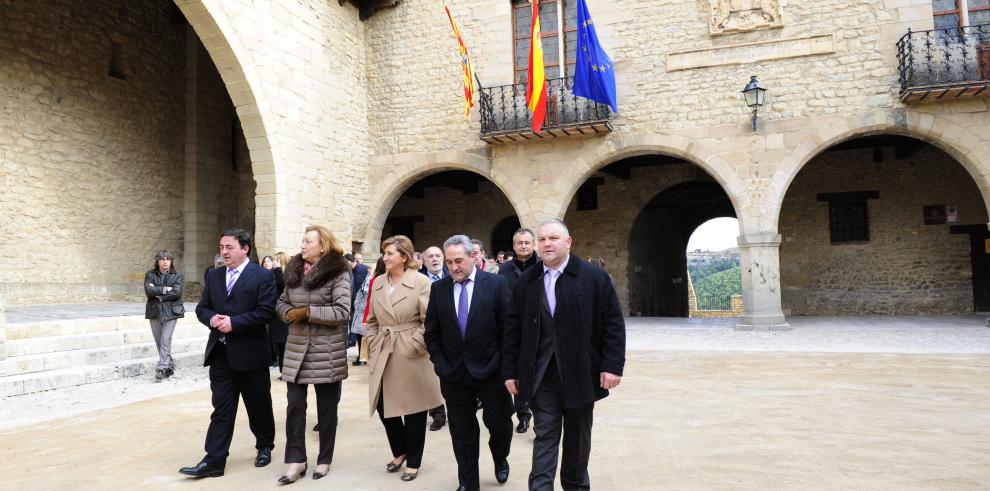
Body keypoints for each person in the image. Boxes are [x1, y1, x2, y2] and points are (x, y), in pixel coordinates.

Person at [503, 219, 626, 491]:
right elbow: (513, 329)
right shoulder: (527, 280)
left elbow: (613, 324)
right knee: (545, 434)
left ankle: (575, 486)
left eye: (553, 238)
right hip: (541, 374)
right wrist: (510, 371)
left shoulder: (593, 278)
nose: (547, 244)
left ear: (568, 242)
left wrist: (612, 366)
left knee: (577, 440)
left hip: (581, 373)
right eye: (542, 239)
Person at [180, 229, 277, 478]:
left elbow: (266, 312)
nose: (224, 252)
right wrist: (213, 319)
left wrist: (235, 323)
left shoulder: (262, 276)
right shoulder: (213, 276)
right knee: (221, 409)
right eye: (221, 246)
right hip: (221, 354)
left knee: (258, 406)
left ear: (245, 249)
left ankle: (264, 445)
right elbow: (202, 308)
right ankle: (215, 460)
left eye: (229, 247)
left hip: (251, 355)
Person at [425, 235, 513, 491]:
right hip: (453, 374)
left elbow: (508, 330)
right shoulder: (439, 289)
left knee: (499, 424)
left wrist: (503, 366)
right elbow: (432, 331)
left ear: (473, 257)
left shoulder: (496, 284)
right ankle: (468, 483)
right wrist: (440, 362)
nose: (454, 267)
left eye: (459, 261)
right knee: (462, 432)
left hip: (491, 371)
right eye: (449, 262)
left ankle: (500, 457)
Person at [275, 225, 352, 483]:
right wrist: (286, 312)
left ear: (323, 246)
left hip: (326, 351)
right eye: (303, 240)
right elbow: (282, 301)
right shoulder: (295, 269)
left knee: (326, 410)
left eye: (308, 241)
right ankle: (297, 460)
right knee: (295, 406)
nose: (303, 245)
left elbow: (342, 311)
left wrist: (308, 312)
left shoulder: (339, 272)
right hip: (297, 350)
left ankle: (324, 459)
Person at [365, 235, 444, 483]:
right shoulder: (378, 282)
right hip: (383, 349)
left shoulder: (420, 282)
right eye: (384, 253)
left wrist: (414, 344)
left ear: (404, 257)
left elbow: (429, 321)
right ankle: (400, 451)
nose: (385, 257)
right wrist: (372, 339)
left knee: (413, 409)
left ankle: (414, 461)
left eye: (390, 253)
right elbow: (372, 319)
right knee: (382, 404)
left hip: (410, 353)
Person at [497, 227, 538, 433]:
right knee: (517, 371)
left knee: (540, 372)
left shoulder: (542, 266)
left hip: (540, 328)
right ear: (513, 246)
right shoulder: (504, 270)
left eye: (527, 242)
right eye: (519, 243)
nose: (523, 246)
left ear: (533, 244)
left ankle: (541, 416)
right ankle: (523, 414)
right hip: (514, 329)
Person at [418, 245, 449, 431]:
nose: (435, 259)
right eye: (430, 256)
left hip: (453, 335)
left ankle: (455, 412)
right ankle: (437, 414)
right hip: (430, 334)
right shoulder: (419, 281)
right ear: (423, 260)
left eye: (438, 255)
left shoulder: (452, 275)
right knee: (430, 377)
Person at [144, 250, 184, 381]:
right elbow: (149, 291)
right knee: (159, 341)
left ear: (171, 261)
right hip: (154, 312)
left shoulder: (177, 275)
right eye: (162, 259)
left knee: (165, 340)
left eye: (168, 259)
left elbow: (177, 293)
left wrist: (159, 294)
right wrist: (166, 289)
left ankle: (161, 368)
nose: (165, 261)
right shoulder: (150, 275)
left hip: (171, 312)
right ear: (157, 261)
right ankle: (169, 365)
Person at [350, 257, 384, 366]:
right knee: (360, 336)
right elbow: (362, 293)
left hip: (367, 311)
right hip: (360, 311)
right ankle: (361, 356)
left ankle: (364, 357)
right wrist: (356, 303)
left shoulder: (374, 280)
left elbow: (370, 298)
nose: (369, 269)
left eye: (372, 268)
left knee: (366, 336)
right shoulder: (368, 279)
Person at [263, 255, 288, 371]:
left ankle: (284, 369)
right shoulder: (261, 276)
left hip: (278, 313)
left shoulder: (277, 274)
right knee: (274, 341)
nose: (267, 263)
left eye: (269, 261)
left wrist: (277, 269)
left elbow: (282, 286)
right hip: (268, 312)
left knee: (281, 343)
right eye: (265, 261)